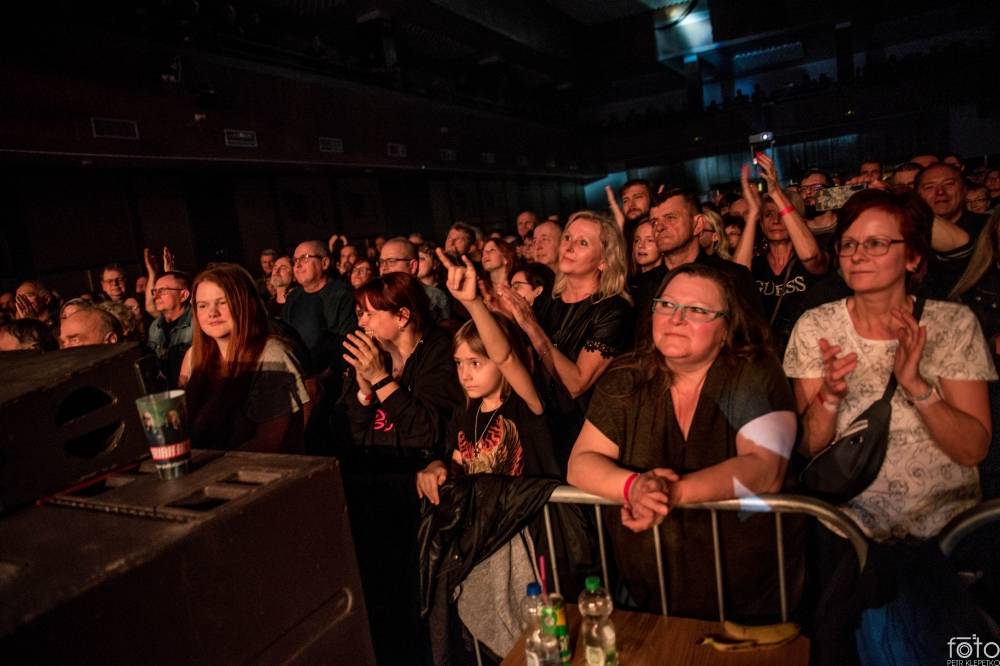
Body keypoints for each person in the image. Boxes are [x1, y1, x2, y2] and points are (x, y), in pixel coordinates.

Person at [567, 263, 797, 617]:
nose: (676, 318)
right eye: (667, 305)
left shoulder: (753, 372)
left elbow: (765, 468)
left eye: (698, 311)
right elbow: (581, 462)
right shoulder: (627, 377)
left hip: (749, 593)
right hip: (649, 588)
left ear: (726, 328)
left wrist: (671, 493)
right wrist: (634, 487)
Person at [784, 188, 995, 541]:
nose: (858, 255)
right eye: (848, 245)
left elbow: (973, 449)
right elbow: (809, 447)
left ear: (912, 257)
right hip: (848, 526)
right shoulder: (816, 326)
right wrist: (830, 396)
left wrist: (916, 386)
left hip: (947, 528)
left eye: (876, 243)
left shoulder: (952, 324)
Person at [417, 252, 559, 504]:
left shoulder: (527, 404)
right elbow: (457, 464)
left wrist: (473, 304)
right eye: (459, 363)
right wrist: (436, 467)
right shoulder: (464, 413)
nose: (465, 374)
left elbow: (505, 358)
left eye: (476, 363)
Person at [498, 211, 633, 466]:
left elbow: (576, 383)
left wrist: (531, 327)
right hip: (539, 431)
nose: (569, 246)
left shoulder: (612, 309)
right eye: (568, 238)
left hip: (586, 435)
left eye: (582, 242)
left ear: (604, 260)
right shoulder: (548, 301)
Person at [179, 263, 310, 453]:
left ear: (245, 304)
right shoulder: (194, 356)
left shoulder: (272, 354)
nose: (212, 313)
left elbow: (270, 442)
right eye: (203, 305)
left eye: (222, 302)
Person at [734, 155, 829, 353]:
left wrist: (776, 191)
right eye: (768, 214)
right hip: (767, 356)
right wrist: (752, 214)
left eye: (783, 214)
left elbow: (811, 257)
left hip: (810, 351)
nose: (776, 220)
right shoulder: (757, 265)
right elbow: (738, 277)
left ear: (796, 219)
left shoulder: (815, 254)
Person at [283, 240, 357, 376]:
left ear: (324, 263)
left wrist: (322, 378)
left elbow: (347, 344)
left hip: (333, 376)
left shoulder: (343, 294)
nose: (297, 265)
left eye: (304, 258)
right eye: (295, 260)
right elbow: (287, 339)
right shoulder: (292, 297)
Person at [147, 271, 193, 387]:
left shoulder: (198, 323)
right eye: (154, 291)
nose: (156, 296)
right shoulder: (155, 326)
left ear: (183, 295)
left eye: (163, 291)